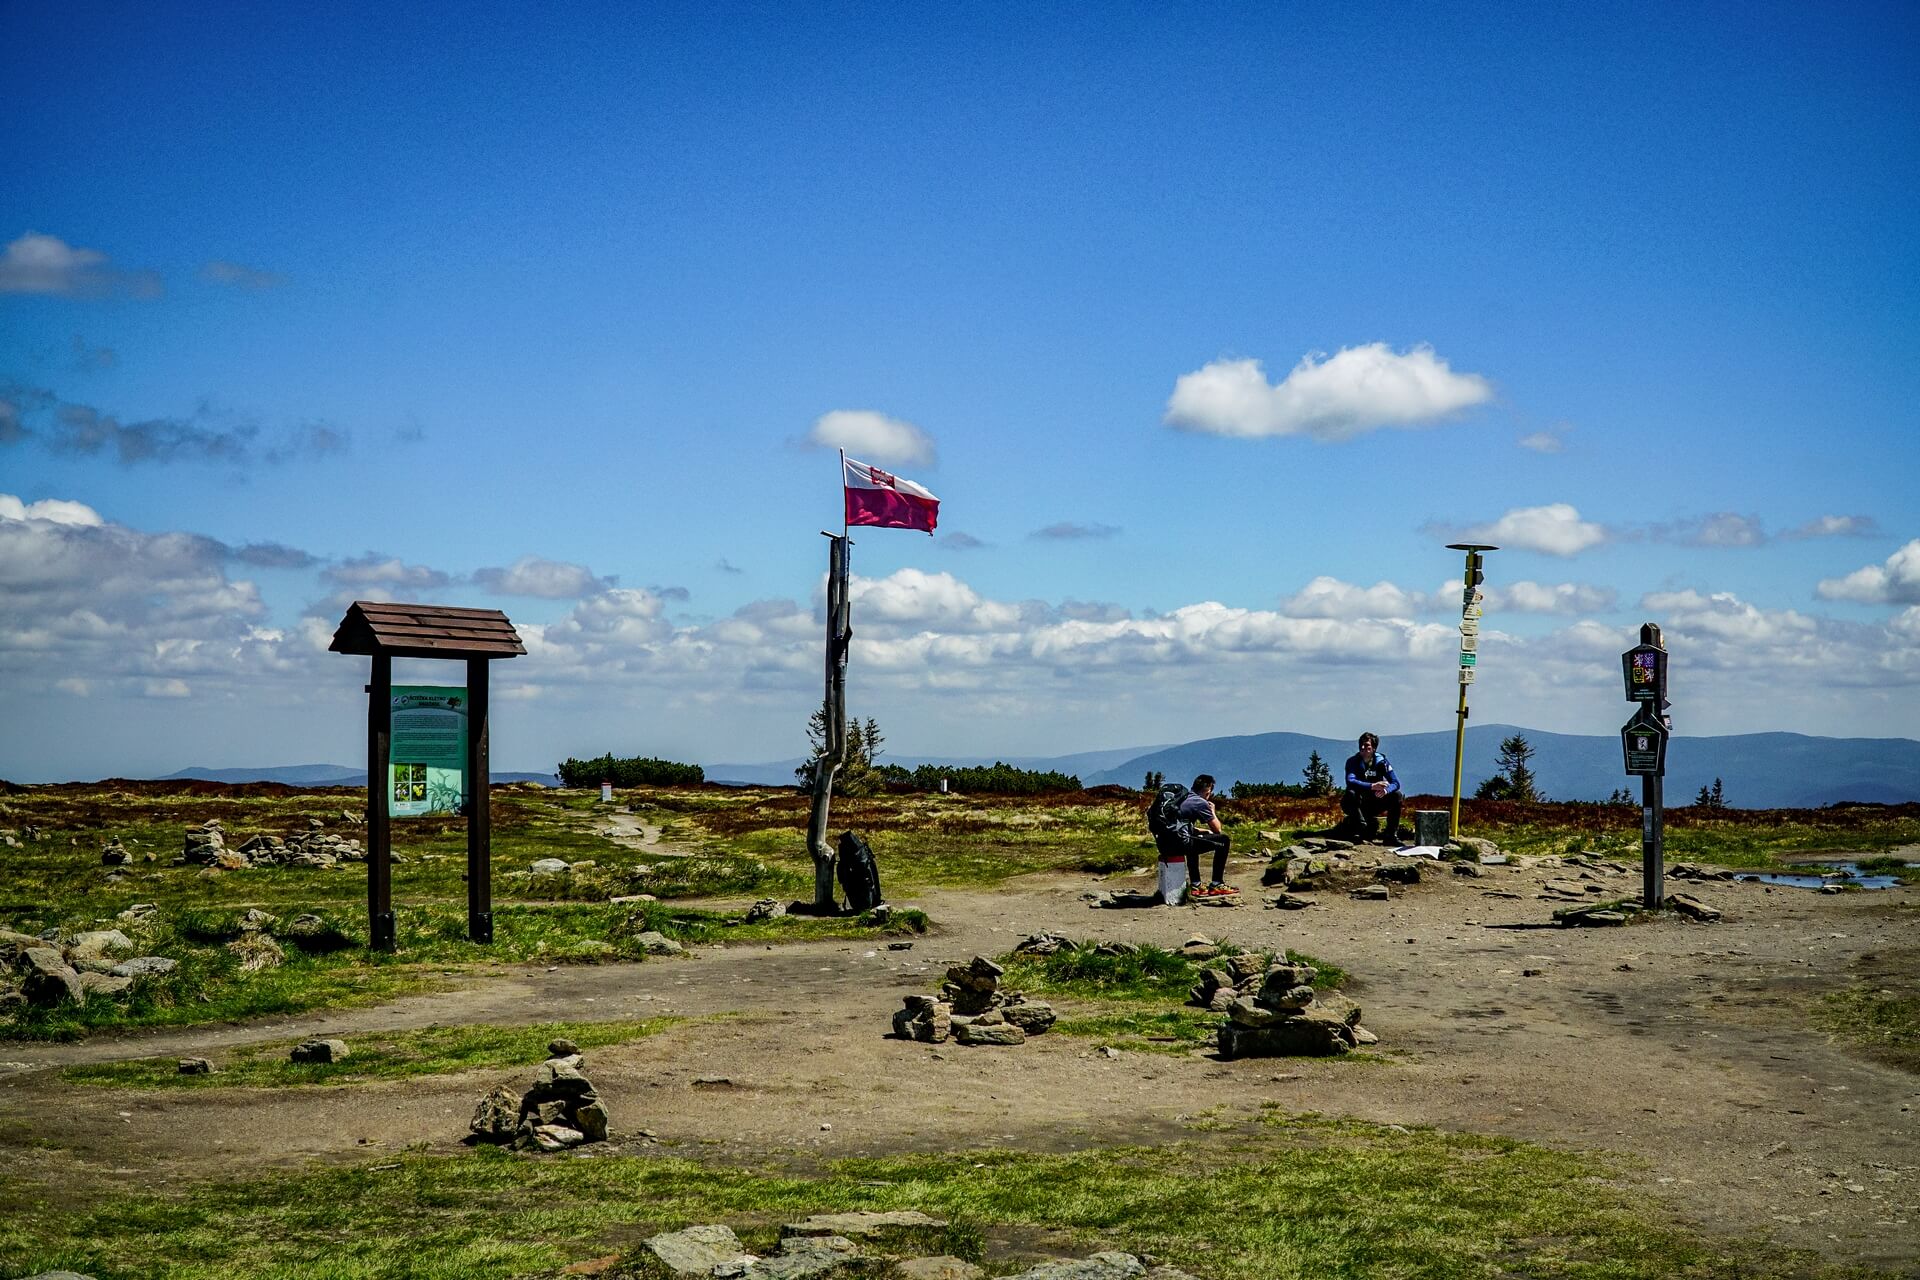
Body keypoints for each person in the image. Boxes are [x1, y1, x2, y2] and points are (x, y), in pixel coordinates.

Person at [1177, 774, 1237, 897]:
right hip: (1183, 844)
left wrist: (1200, 831)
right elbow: (1217, 829)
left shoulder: (1183, 798)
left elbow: (1181, 825)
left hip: (1168, 842)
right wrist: (1212, 811)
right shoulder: (1200, 802)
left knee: (1192, 839)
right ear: (1208, 790)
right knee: (1224, 840)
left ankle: (1196, 884)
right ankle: (1217, 883)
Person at [1341, 733, 1404, 843]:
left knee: (1397, 795)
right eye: (1361, 745)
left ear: (1374, 748)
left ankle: (1391, 835)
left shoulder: (1382, 762)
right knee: (1351, 793)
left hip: (1375, 802)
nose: (1363, 748)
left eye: (1366, 745)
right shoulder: (1352, 761)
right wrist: (1372, 786)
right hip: (1357, 802)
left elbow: (1396, 783)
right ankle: (1360, 828)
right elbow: (1350, 781)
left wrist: (1386, 790)